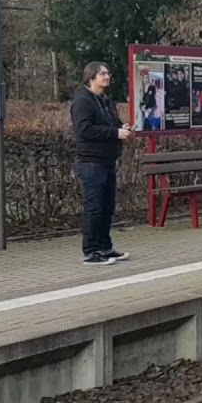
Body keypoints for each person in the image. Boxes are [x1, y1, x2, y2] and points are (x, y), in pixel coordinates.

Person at [71, 62, 131, 265]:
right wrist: (114, 133)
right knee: (94, 208)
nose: (107, 77)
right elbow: (84, 129)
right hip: (90, 163)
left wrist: (121, 127)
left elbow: (110, 124)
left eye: (108, 73)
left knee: (107, 207)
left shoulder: (105, 101)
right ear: (91, 77)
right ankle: (90, 251)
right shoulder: (82, 102)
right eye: (102, 74)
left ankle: (105, 247)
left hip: (107, 161)